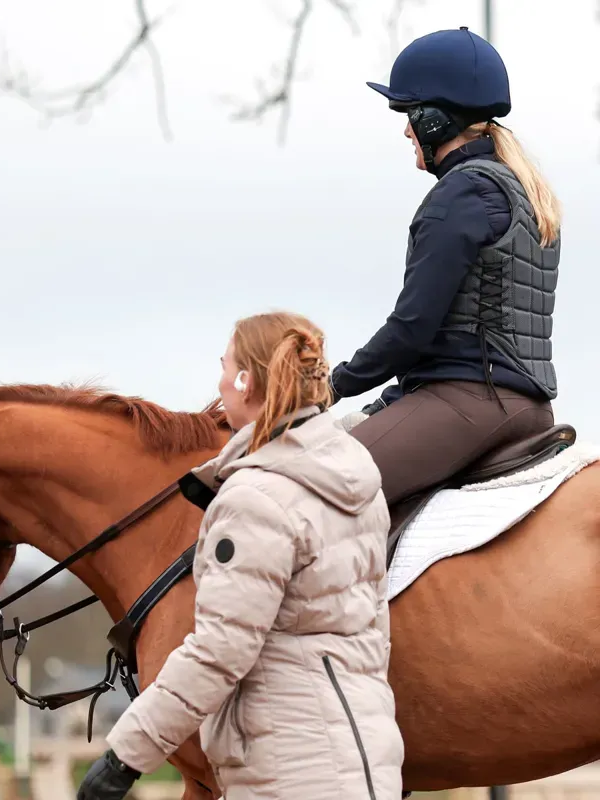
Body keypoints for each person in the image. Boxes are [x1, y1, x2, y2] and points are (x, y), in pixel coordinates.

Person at [77, 311, 404, 800]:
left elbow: (219, 651)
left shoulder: (255, 500)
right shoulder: (358, 481)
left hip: (290, 769)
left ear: (247, 382)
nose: (220, 383)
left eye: (225, 367)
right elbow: (376, 630)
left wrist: (124, 757)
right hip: (365, 763)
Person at [330, 27, 560, 506]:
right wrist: (384, 403)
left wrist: (331, 386)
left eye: (409, 115)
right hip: (523, 403)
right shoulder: (519, 188)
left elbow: (411, 329)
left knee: (304, 486)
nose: (406, 131)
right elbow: (454, 335)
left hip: (469, 402)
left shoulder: (462, 192)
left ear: (434, 121)